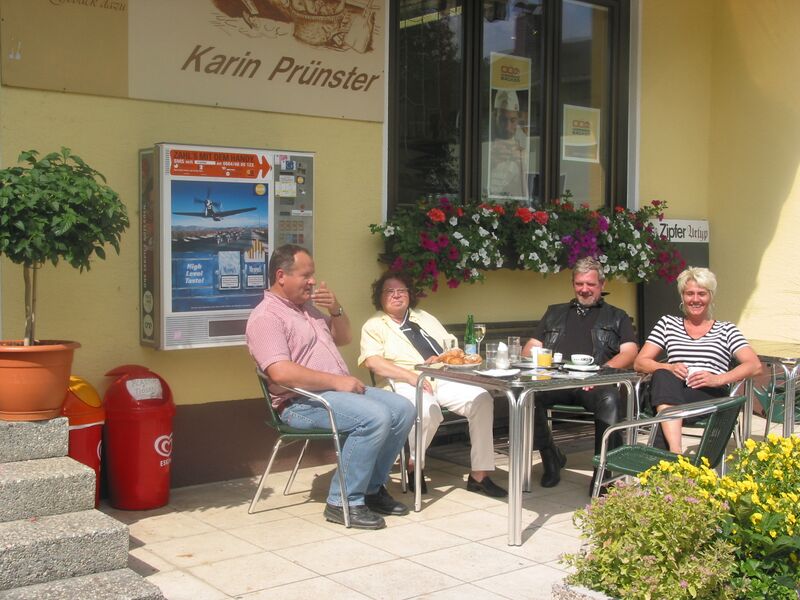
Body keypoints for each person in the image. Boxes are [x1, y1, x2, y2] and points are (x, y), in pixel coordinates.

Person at [246, 245, 415, 530]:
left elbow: (344, 337)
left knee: (403, 409)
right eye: (306, 275)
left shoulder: (307, 310)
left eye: (312, 275)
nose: (312, 281)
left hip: (335, 394)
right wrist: (336, 381)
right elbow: (280, 372)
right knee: (375, 417)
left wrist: (335, 310)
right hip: (299, 403)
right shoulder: (266, 317)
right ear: (281, 276)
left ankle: (371, 489)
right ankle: (343, 502)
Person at [359, 271, 507, 498]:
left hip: (441, 376)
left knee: (481, 399)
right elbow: (373, 362)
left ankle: (479, 475)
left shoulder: (423, 317)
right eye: (390, 291)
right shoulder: (374, 325)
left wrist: (443, 357)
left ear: (410, 294)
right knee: (428, 410)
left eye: (401, 290)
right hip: (403, 381)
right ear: (380, 296)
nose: (397, 295)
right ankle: (413, 464)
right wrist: (410, 376)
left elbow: (451, 345)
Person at [522, 256, 638, 491]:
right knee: (526, 396)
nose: (584, 289)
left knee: (609, 399)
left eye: (590, 284)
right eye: (579, 284)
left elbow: (630, 352)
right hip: (555, 382)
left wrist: (600, 374)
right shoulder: (554, 313)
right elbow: (530, 348)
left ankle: (602, 471)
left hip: (593, 384)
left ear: (602, 284)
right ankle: (550, 457)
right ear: (573, 284)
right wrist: (541, 361)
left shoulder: (617, 316)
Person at [634, 267, 761, 452]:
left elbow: (754, 365)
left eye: (701, 294)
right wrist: (670, 367)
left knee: (664, 407)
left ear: (711, 297)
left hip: (709, 393)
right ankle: (676, 453)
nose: (695, 299)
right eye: (689, 293)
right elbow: (640, 362)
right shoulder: (667, 323)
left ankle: (666, 463)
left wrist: (718, 379)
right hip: (673, 388)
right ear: (682, 296)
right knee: (662, 375)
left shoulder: (726, 329)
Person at [489, 89, 528, 199]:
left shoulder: (524, 149)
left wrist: (522, 167)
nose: (507, 127)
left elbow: (526, 194)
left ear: (518, 120)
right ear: (494, 117)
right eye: (503, 120)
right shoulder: (485, 146)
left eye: (513, 120)